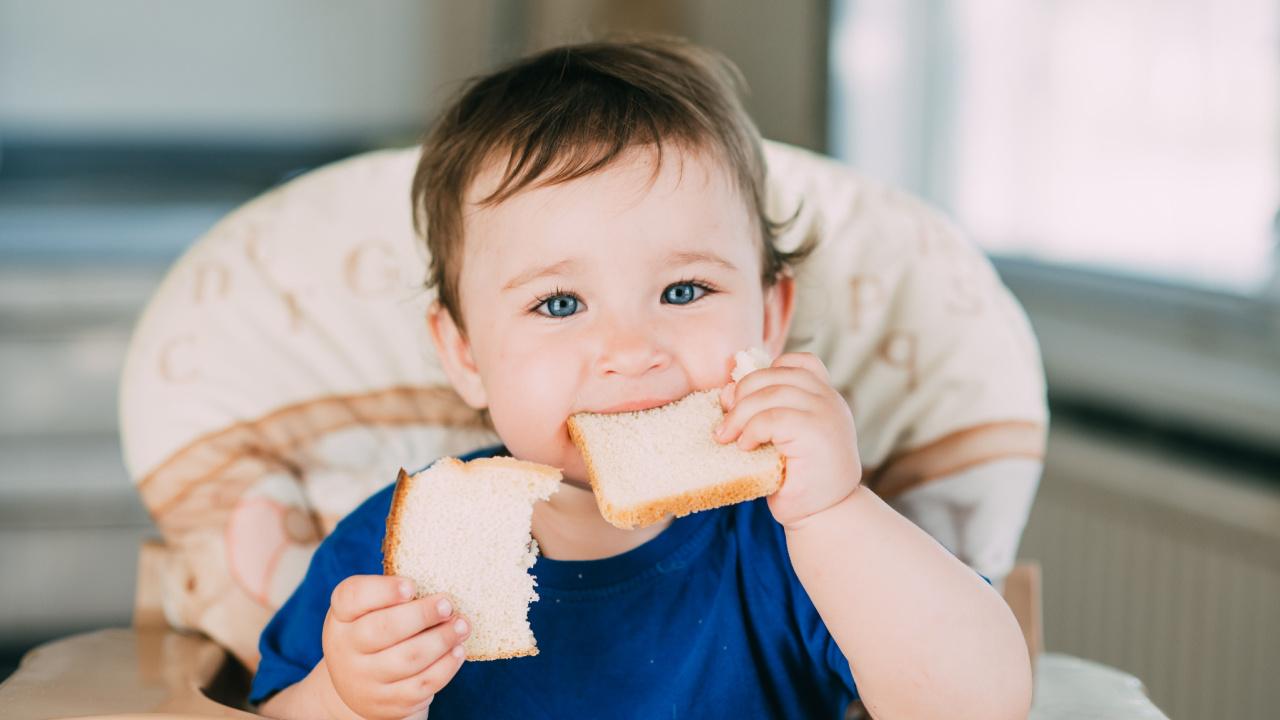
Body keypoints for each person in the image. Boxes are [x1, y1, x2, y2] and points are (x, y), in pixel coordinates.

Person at [251, 37, 1032, 720]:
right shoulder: (396, 550)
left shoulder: (800, 540)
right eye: (559, 303)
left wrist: (834, 507)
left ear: (769, 318)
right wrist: (344, 700)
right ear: (463, 355)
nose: (631, 350)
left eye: (684, 292)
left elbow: (978, 705)